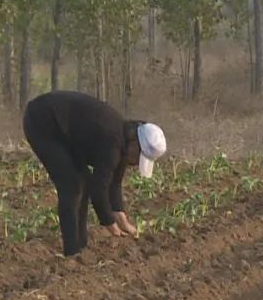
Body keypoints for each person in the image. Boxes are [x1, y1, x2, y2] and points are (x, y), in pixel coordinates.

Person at [22, 90, 167, 256]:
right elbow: (98, 189)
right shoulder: (113, 143)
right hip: (42, 122)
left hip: (65, 132)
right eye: (139, 157)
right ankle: (72, 252)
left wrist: (121, 216)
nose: (135, 164)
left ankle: (80, 247)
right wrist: (109, 222)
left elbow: (114, 183)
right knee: (73, 185)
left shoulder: (123, 140)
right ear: (135, 143)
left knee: (82, 180)